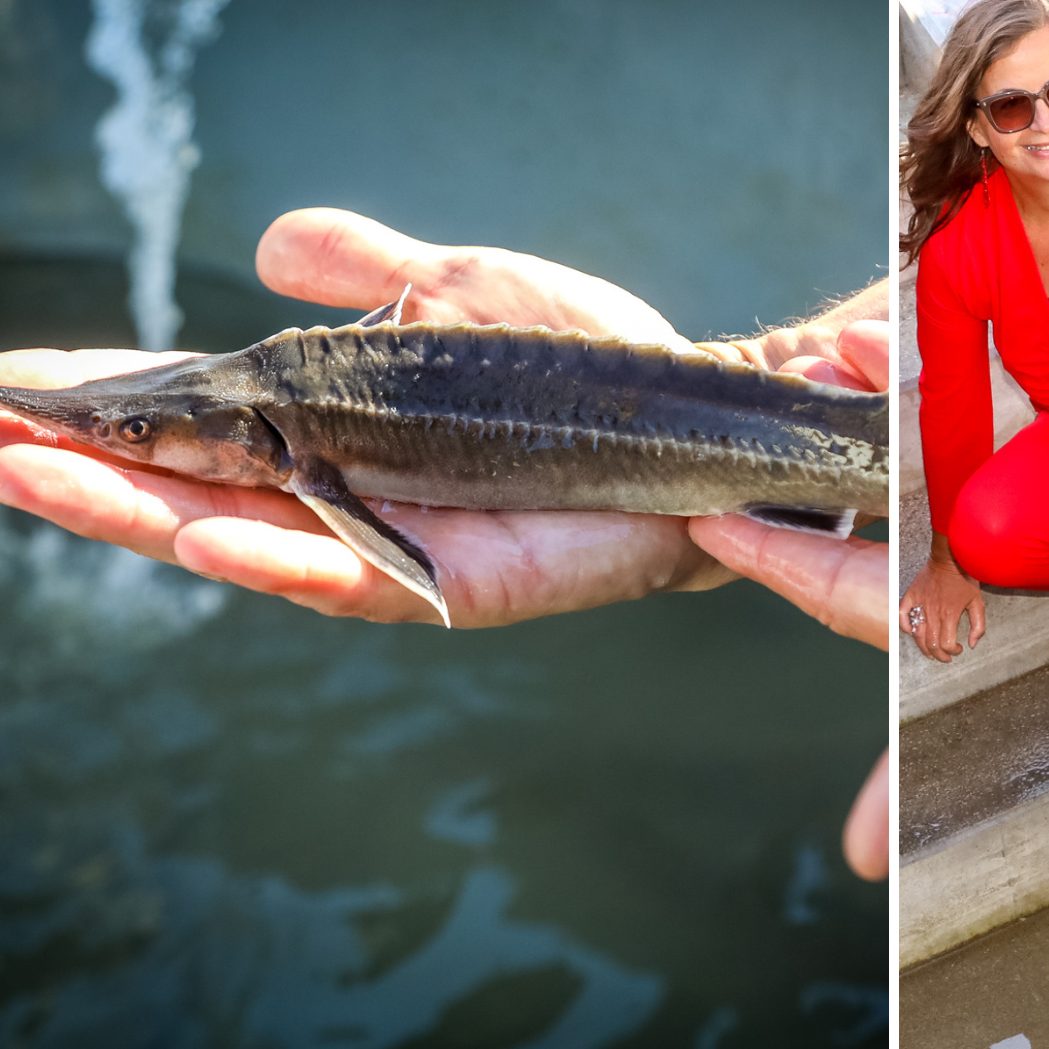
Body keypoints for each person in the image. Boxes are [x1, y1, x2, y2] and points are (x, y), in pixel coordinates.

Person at [0, 207, 888, 879]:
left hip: (833, 435)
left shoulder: (307, 463)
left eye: (134, 433)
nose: (123, 436)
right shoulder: (275, 401)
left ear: (256, 436)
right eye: (134, 430)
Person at [900, 0, 1049, 663]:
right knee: (983, 533)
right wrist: (943, 560)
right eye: (1014, 107)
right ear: (979, 129)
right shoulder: (961, 243)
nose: (1044, 122)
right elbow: (953, 404)